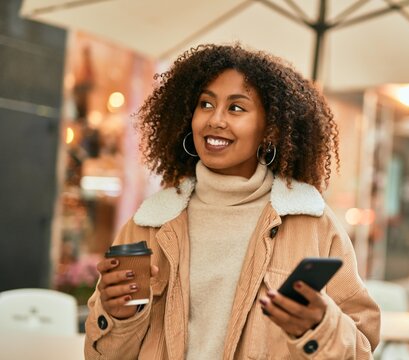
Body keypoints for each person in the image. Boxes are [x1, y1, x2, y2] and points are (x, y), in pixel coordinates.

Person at [84, 44, 380, 359]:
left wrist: (320, 327)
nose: (216, 119)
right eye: (206, 104)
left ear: (270, 129)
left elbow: (362, 347)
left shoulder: (313, 224)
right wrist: (117, 317)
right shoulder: (149, 224)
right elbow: (100, 354)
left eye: (236, 108)